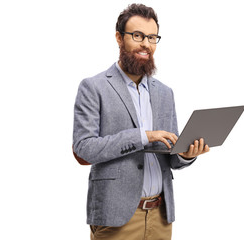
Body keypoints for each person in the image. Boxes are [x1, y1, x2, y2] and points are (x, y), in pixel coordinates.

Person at [72, 3, 209, 240]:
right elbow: (84, 149)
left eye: (152, 37)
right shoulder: (93, 87)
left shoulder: (165, 93)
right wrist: (144, 136)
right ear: (119, 37)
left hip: (160, 216)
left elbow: (171, 156)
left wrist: (186, 155)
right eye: (138, 36)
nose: (146, 44)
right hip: (117, 218)